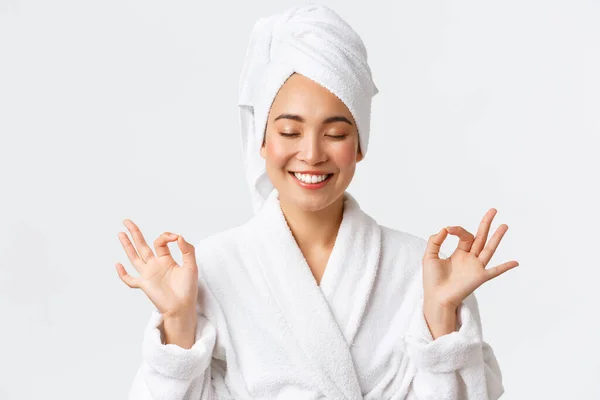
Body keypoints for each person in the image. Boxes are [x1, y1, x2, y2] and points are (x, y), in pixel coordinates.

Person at [117, 4, 518, 399]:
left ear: (360, 145)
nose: (311, 154)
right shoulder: (213, 268)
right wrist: (176, 320)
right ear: (262, 141)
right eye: (290, 132)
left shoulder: (419, 270)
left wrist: (442, 315)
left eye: (336, 133)